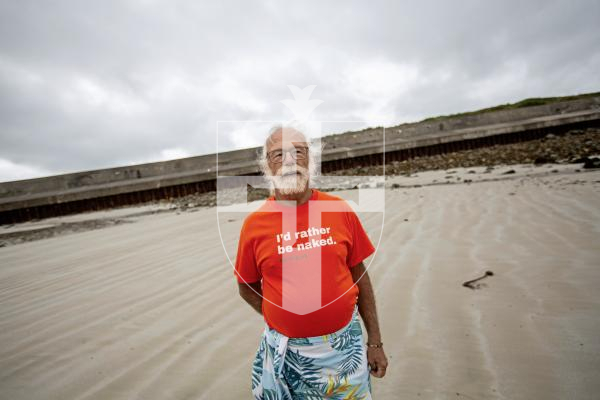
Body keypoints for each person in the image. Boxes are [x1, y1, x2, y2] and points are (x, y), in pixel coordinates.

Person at [234, 124, 388, 399]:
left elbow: (360, 276)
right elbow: (246, 287)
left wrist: (374, 342)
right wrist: (282, 317)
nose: (289, 161)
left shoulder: (338, 209)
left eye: (298, 152)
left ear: (311, 161)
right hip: (289, 357)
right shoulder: (254, 225)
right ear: (266, 167)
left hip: (346, 352)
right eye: (278, 155)